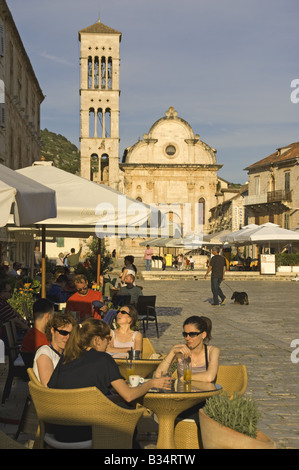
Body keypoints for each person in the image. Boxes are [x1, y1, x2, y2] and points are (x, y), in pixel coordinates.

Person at [47, 318, 172, 443]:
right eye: (108, 338)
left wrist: (118, 398)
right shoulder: (103, 359)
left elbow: (74, 395)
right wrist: (152, 383)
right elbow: (129, 396)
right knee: (129, 421)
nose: (109, 343)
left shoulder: (66, 358)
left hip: (58, 432)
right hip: (89, 433)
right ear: (97, 340)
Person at [154, 315, 220, 423]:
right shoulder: (180, 352)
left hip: (203, 401)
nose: (187, 338)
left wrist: (185, 377)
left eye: (192, 334)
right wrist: (172, 353)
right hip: (181, 402)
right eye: (185, 334)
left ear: (203, 335)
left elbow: (209, 377)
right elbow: (158, 375)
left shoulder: (212, 351)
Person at [33, 312, 75, 386]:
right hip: (54, 396)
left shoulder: (65, 353)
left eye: (70, 334)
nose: (68, 337)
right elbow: (48, 385)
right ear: (52, 331)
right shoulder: (45, 352)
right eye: (63, 333)